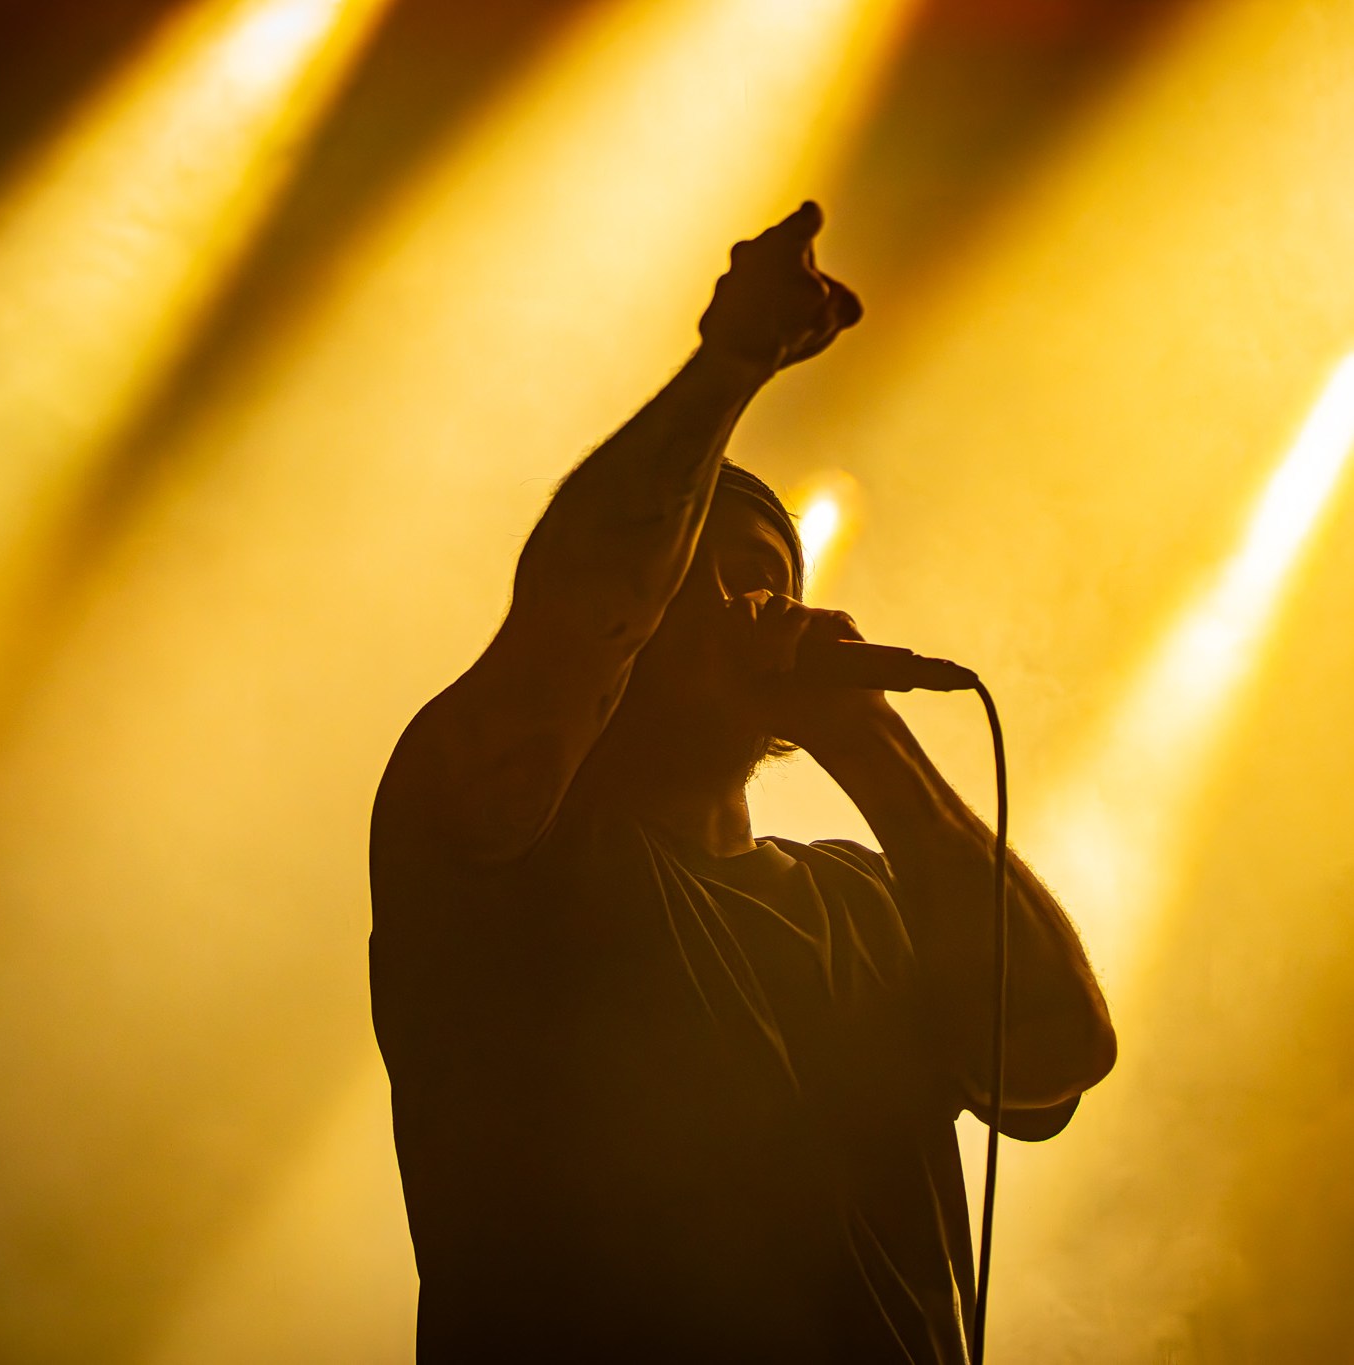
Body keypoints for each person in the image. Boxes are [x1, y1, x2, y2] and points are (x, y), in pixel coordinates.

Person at [369, 202, 1116, 1364]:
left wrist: (869, 740)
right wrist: (727, 373)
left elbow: (1059, 1056)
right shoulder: (498, 847)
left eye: (766, 578)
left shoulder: (871, 900)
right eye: (693, 584)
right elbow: (583, 602)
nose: (747, 608)